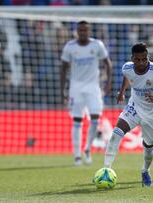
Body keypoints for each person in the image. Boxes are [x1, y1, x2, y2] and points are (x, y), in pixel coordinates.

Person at [103, 42, 153, 187]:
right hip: (134, 107)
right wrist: (122, 92)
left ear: (147, 57)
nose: (142, 62)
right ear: (132, 59)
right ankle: (106, 170)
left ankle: (145, 170)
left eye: (144, 59)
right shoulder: (127, 67)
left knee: (149, 147)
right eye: (138, 60)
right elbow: (128, 77)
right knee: (116, 133)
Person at [60, 20, 112, 166]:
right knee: (77, 120)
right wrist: (62, 90)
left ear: (89, 31)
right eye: (80, 30)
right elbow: (63, 68)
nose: (82, 32)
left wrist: (108, 83)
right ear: (77, 31)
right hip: (75, 88)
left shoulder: (97, 45)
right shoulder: (70, 47)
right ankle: (77, 155)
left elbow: (107, 63)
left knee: (95, 118)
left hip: (93, 87)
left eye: (85, 30)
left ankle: (87, 149)